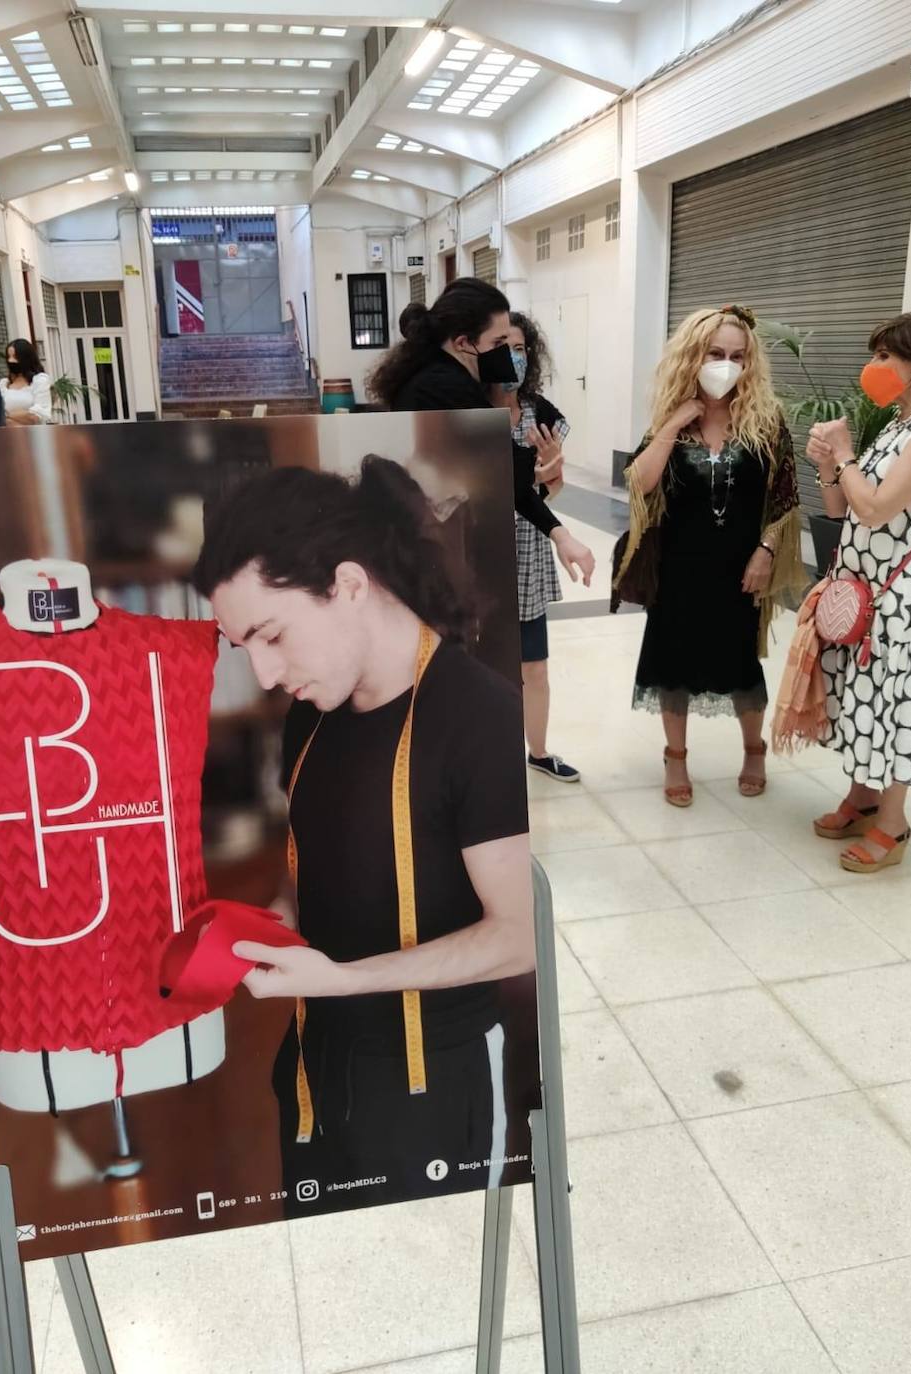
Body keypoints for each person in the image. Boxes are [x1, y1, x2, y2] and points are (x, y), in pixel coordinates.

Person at [192, 456, 534, 1208]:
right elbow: (311, 860)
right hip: (317, 1064)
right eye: (243, 647)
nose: (266, 674)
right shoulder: (313, 714)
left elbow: (519, 936)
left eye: (271, 635)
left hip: (436, 1083)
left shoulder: (479, 719)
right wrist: (273, 922)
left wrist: (344, 980)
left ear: (348, 585)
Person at [616, 305, 805, 806]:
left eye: (738, 356)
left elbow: (785, 495)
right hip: (678, 567)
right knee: (671, 660)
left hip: (740, 567)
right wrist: (673, 423)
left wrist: (766, 551)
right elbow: (638, 482)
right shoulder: (670, 419)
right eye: (716, 354)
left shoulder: (766, 421)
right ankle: (675, 758)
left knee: (741, 662)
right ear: (694, 356)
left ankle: (754, 748)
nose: (727, 364)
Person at [805, 310, 911, 873]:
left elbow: (880, 509)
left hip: (907, 594)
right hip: (866, 589)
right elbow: (843, 509)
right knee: (859, 694)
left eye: (886, 355)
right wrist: (828, 469)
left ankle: (893, 822)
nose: (874, 366)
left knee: (898, 699)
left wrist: (844, 456)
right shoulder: (896, 423)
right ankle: (862, 796)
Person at [369, 278, 595, 588]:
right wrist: (540, 472)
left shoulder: (432, 375)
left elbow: (503, 472)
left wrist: (559, 532)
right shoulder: (447, 386)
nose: (505, 355)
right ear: (463, 343)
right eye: (498, 343)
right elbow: (502, 470)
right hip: (426, 547)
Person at [489, 311, 579, 783]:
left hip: (527, 550)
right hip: (478, 551)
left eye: (521, 348)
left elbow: (550, 492)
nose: (514, 357)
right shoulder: (467, 411)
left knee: (534, 668)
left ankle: (538, 753)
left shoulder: (542, 415)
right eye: (504, 346)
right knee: (483, 669)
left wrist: (548, 474)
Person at [1, 338, 52, 426]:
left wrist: (8, 416)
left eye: (15, 357)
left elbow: (38, 414)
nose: (11, 361)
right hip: (8, 435)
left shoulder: (39, 380)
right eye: (9, 357)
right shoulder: (4, 383)